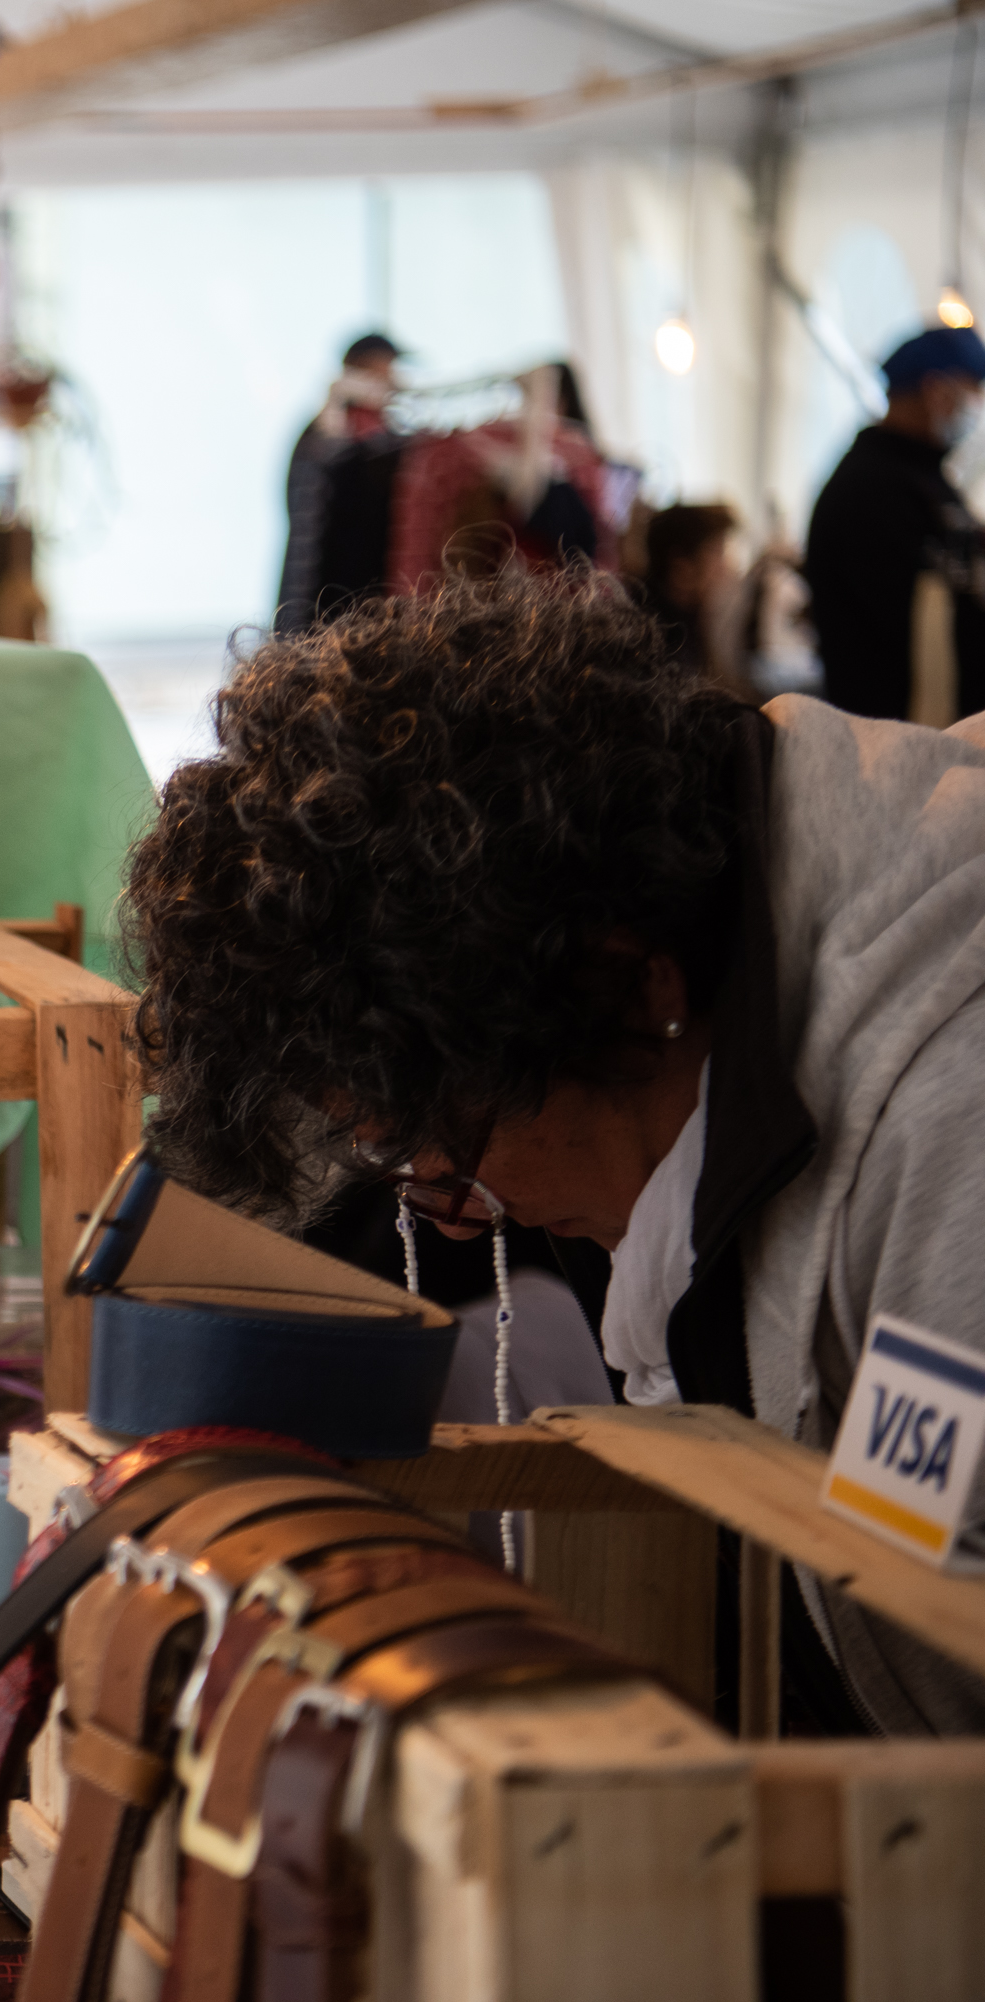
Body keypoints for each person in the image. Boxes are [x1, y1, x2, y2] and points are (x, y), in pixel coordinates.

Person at [125, 569, 985, 1735]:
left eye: (444, 1148)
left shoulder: (947, 1119)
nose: (450, 1212)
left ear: (630, 989)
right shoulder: (716, 937)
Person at [803, 323, 985, 723]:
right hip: (891, 742)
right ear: (937, 391)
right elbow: (917, 624)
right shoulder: (869, 489)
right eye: (973, 389)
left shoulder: (925, 479)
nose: (976, 405)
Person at [274, 331, 401, 632]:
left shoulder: (387, 438)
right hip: (316, 606)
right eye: (383, 372)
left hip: (369, 605)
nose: (392, 383)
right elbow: (309, 493)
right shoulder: (324, 430)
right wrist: (336, 402)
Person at [635, 500, 747, 692]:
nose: (725, 567)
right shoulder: (655, 644)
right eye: (716, 553)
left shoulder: (685, 618)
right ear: (682, 568)